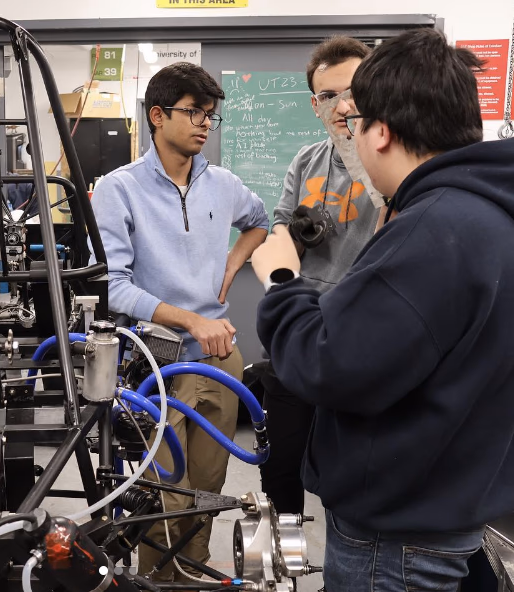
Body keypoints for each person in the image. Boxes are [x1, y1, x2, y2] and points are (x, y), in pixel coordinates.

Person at [251, 28, 514, 591]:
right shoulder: (488, 210)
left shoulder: (433, 229)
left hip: (397, 539)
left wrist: (279, 280)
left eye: (358, 117)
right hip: (451, 497)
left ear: (382, 132)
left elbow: (328, 365)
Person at [91, 62, 268, 583]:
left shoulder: (225, 185)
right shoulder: (118, 190)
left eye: (210, 116)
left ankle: (191, 573)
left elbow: (260, 222)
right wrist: (190, 319)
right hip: (156, 360)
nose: (204, 125)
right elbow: (113, 286)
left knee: (210, 484)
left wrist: (234, 263)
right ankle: (157, 581)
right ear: (157, 116)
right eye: (193, 113)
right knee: (166, 488)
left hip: (219, 356)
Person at [259, 36, 378, 515]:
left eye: (353, 91)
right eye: (328, 96)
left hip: (360, 341)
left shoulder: (390, 156)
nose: (342, 105)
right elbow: (281, 225)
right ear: (315, 104)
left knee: (348, 473)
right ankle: (284, 559)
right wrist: (289, 243)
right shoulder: (305, 160)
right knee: (279, 465)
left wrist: (357, 145)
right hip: (300, 330)